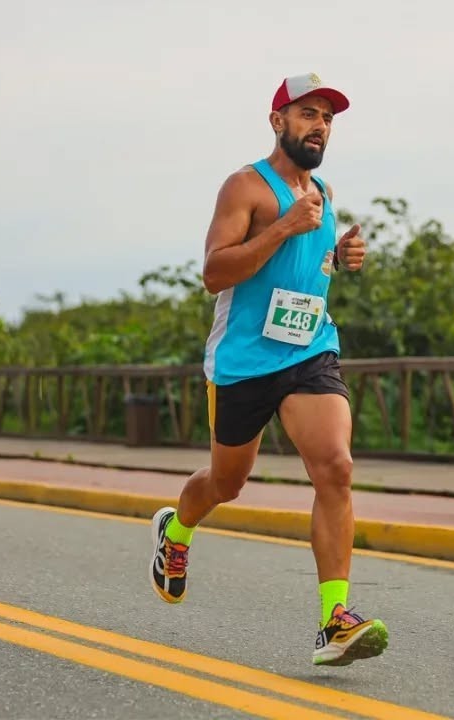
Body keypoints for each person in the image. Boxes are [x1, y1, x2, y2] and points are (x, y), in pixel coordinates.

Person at [148, 73, 388, 667]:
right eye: (307, 113)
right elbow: (215, 273)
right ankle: (176, 531)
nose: (319, 126)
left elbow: (308, 266)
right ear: (278, 121)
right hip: (244, 361)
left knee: (335, 467)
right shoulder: (245, 187)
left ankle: (334, 620)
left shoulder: (323, 192)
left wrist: (340, 257)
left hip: (309, 350)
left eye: (327, 118)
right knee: (227, 483)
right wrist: (283, 226)